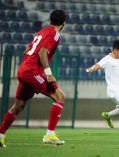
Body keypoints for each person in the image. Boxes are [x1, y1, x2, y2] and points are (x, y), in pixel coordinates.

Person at [0, 10, 66, 147]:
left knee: (19, 106)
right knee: (60, 96)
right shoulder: (54, 33)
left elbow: (26, 51)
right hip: (32, 71)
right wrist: (48, 73)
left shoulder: (41, 32)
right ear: (63, 23)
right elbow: (42, 53)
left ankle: (0, 135)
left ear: (50, 21)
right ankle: (49, 135)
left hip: (24, 70)